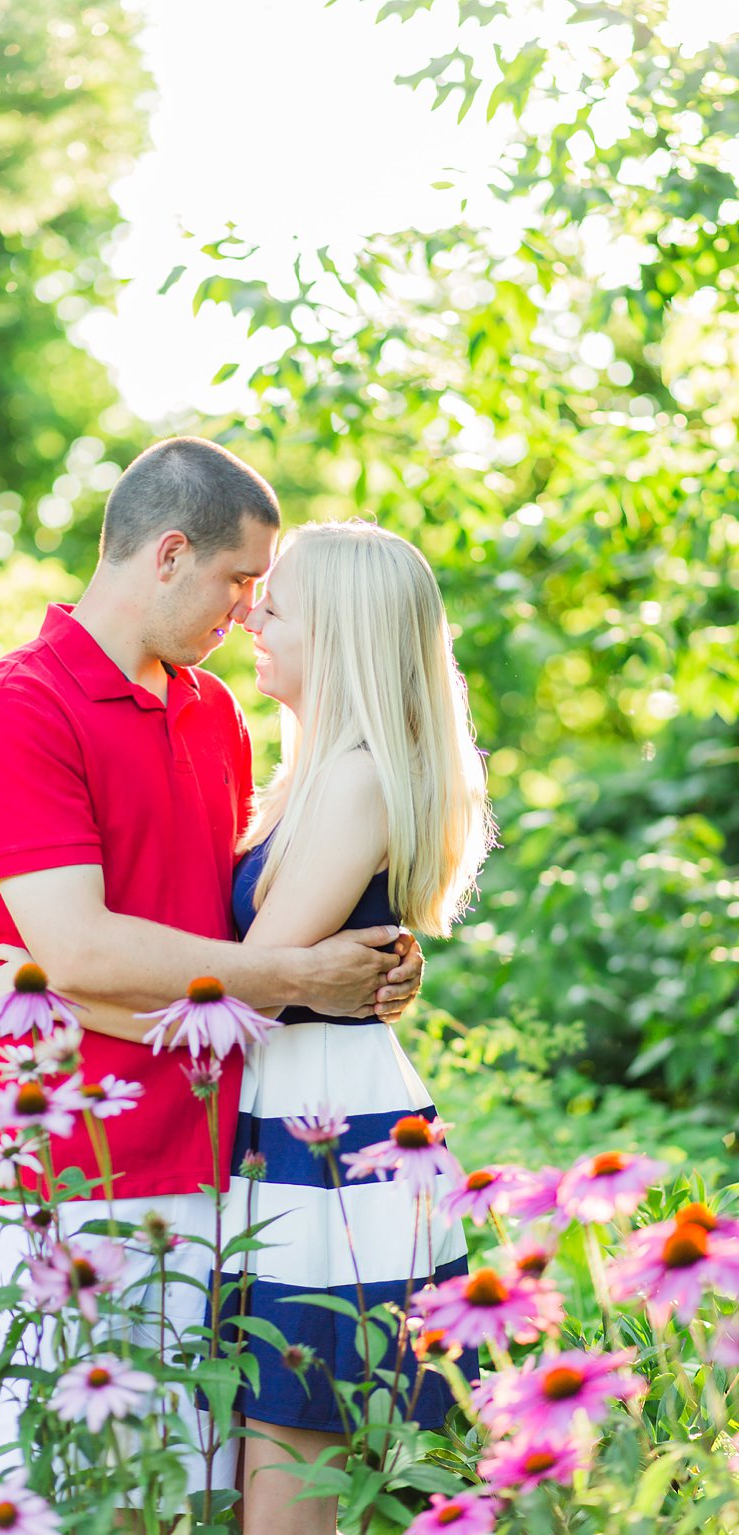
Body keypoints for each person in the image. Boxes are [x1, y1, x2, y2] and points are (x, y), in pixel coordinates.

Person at [0, 437, 423, 1510]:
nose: (247, 609)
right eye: (236, 580)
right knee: (59, 1495)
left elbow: (218, 931)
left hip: (224, 1168)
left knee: (179, 1503)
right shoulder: (15, 709)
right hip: (61, 1174)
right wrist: (299, 971)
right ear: (168, 554)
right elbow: (82, 947)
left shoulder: (213, 716)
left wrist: (365, 954)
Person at [217, 520, 492, 1533]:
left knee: (292, 1444)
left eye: (273, 606)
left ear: (336, 636)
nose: (249, 615)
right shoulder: (313, 773)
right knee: (275, 1434)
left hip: (321, 1125)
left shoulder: (357, 774)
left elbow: (260, 970)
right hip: (299, 1102)